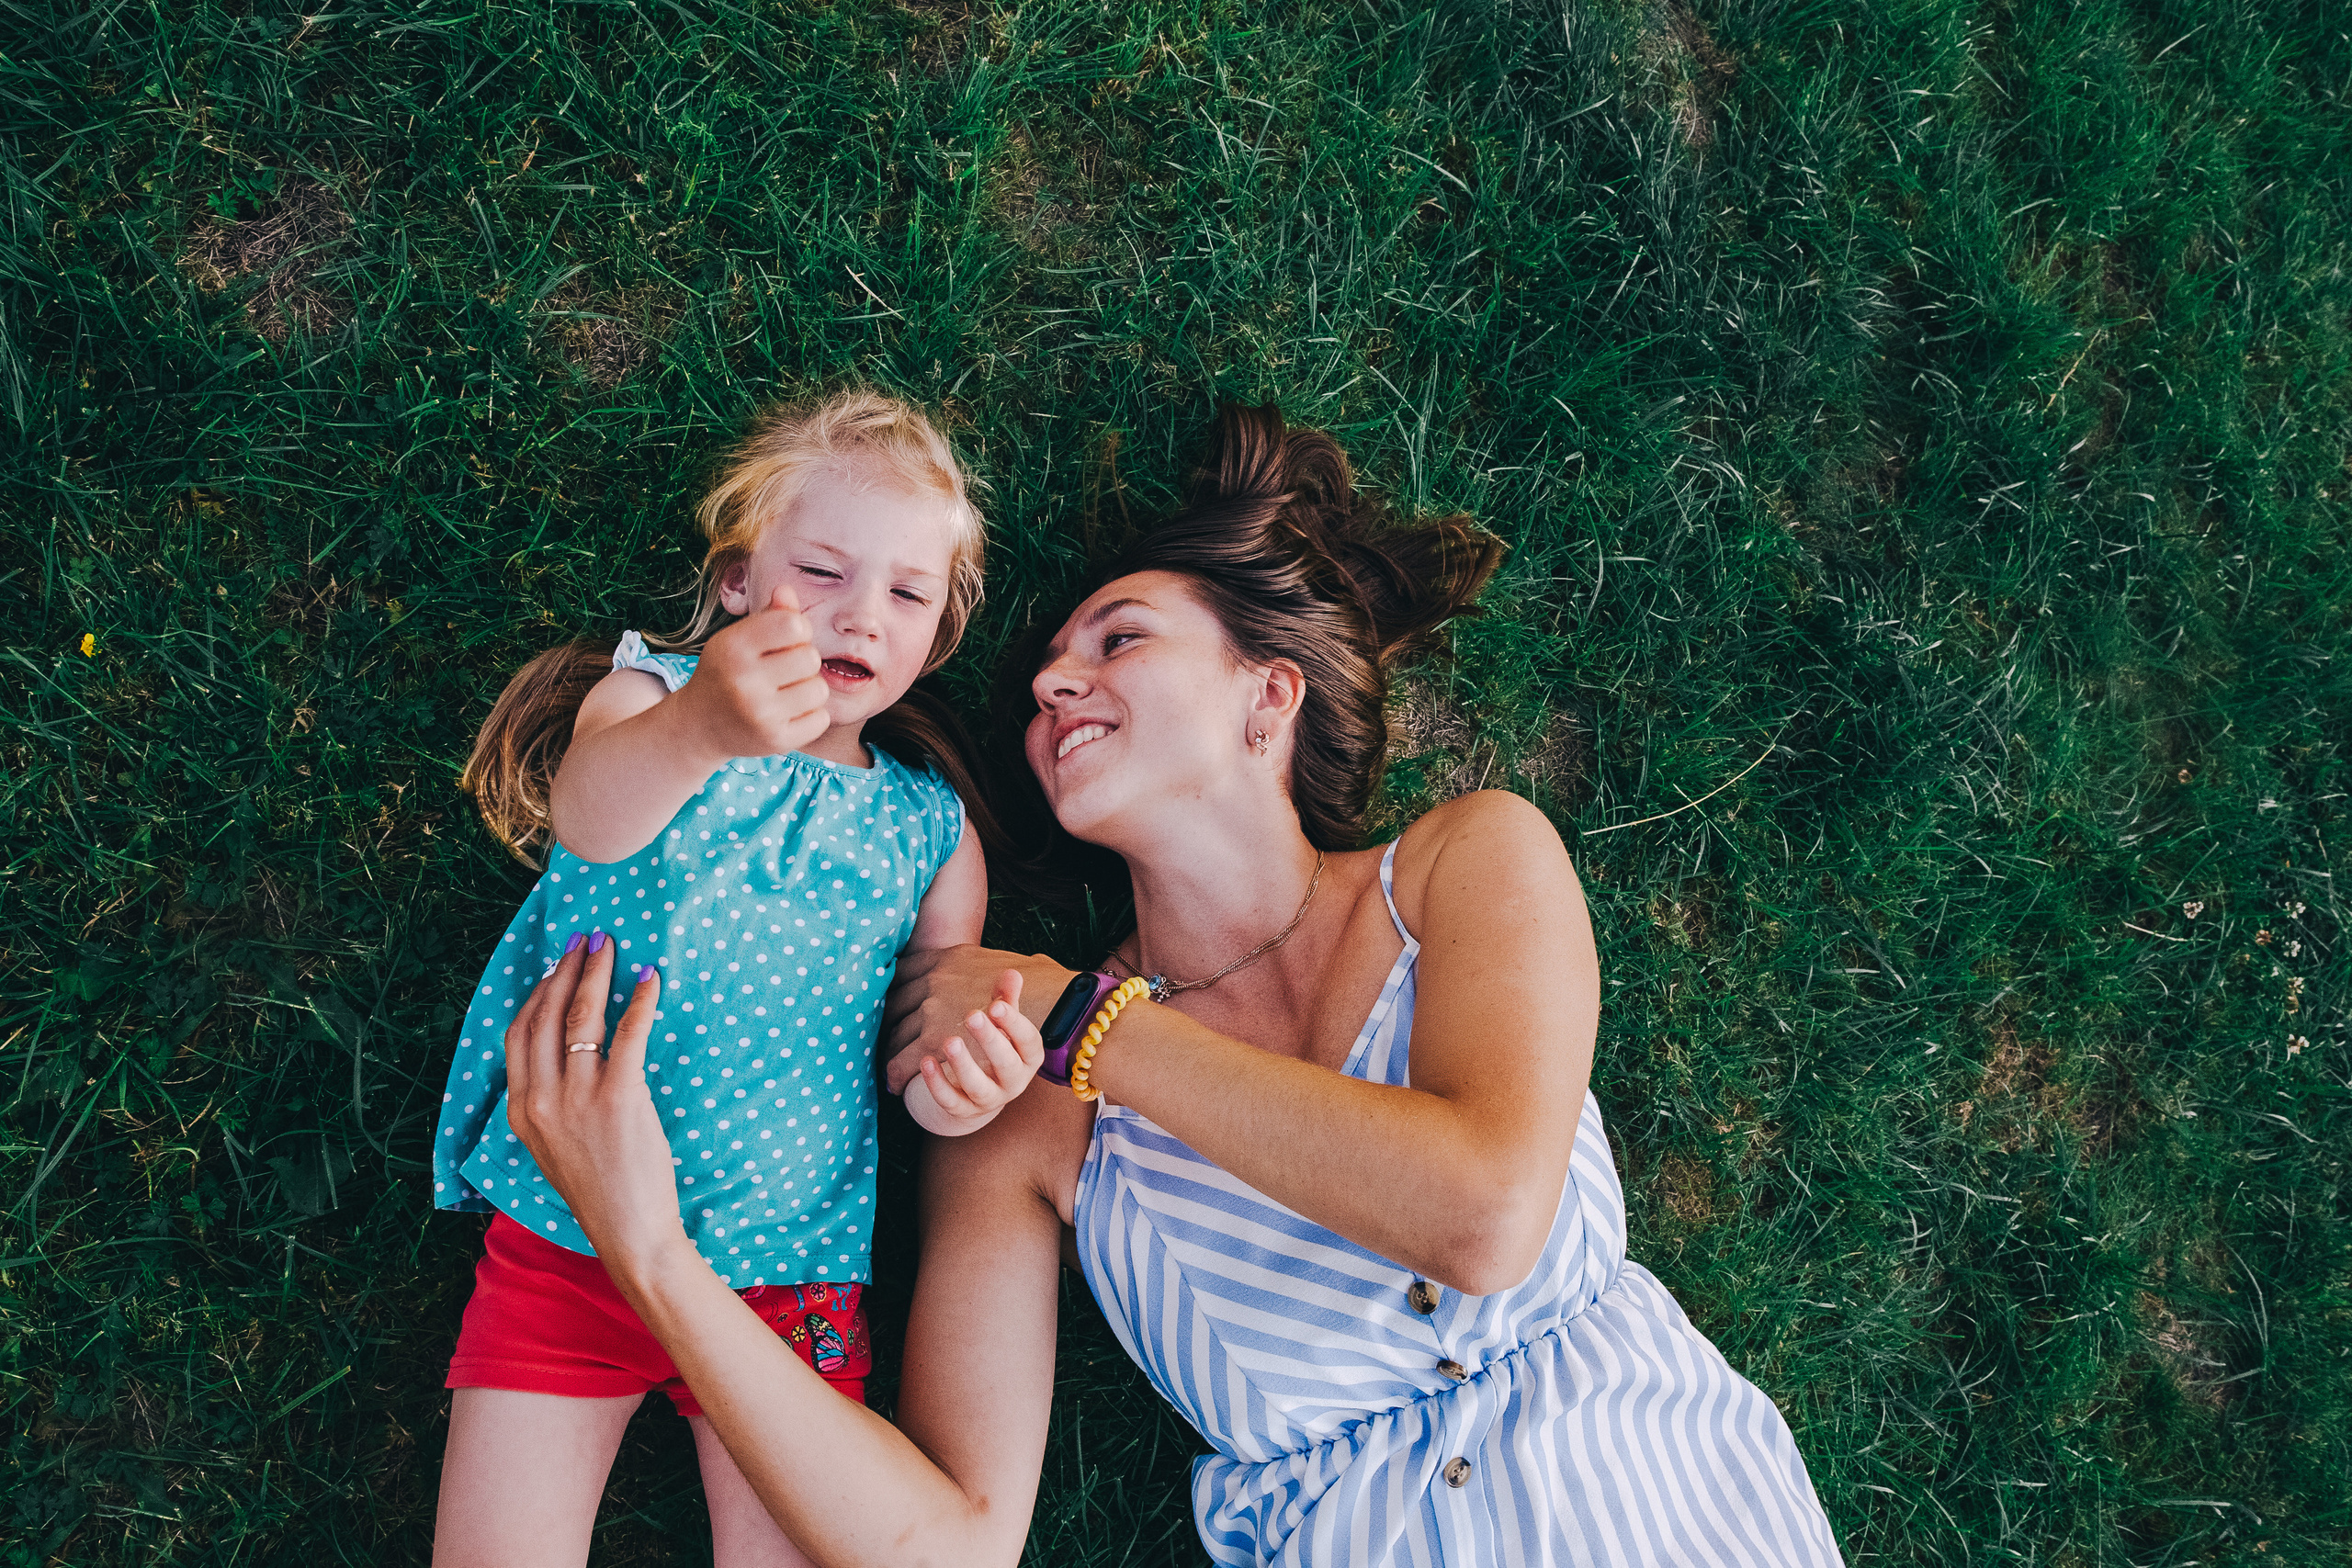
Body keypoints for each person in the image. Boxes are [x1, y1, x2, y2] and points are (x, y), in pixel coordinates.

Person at [497, 404, 1846, 1566]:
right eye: (1049, 670)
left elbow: (1482, 1217)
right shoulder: (1026, 1104)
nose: (1054, 680)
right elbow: (947, 1543)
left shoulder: (1465, 866)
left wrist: (1085, 1021)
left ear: (1269, 696)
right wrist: (648, 1250)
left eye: (1118, 640)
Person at [430, 389, 1046, 1568]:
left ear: (935, 637)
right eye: (821, 572)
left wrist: (953, 1091)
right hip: (565, 1237)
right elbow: (588, 821)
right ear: (736, 583)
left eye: (908, 595)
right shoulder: (653, 703)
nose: (860, 615)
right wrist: (707, 724)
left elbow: (918, 1039)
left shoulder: (930, 831)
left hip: (788, 1276)